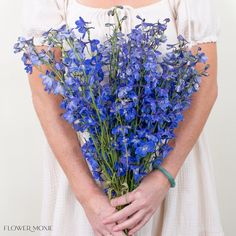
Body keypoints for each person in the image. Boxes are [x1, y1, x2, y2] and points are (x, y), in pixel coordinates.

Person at [21, 0, 224, 235]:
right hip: (86, 166)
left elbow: (205, 88)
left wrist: (163, 177)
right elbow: (45, 96)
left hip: (170, 161)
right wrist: (88, 196)